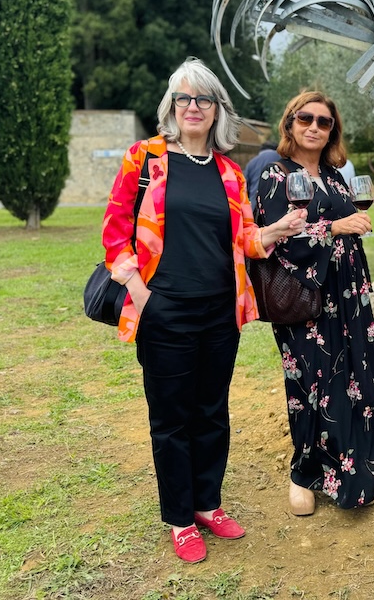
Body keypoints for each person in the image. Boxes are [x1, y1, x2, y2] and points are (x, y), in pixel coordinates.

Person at [102, 58, 306, 564]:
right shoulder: (144, 160)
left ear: (218, 110)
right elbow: (113, 231)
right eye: (184, 99)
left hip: (220, 311)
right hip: (164, 309)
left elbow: (241, 239)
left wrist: (274, 233)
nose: (193, 107)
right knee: (171, 418)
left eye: (203, 99)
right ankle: (178, 516)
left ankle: (207, 504)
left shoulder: (229, 172)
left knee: (212, 411)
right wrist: (141, 293)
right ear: (172, 107)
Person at [256, 90, 374, 516]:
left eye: (324, 122)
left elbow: (347, 226)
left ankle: (361, 460)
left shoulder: (335, 175)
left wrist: (351, 228)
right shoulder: (275, 175)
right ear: (290, 123)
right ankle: (304, 473)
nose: (314, 127)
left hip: (349, 293)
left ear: (332, 132)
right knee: (313, 384)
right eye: (305, 118)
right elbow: (276, 239)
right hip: (306, 299)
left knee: (357, 373)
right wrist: (337, 227)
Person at [245, 140, 280, 205]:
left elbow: (245, 187)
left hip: (255, 205)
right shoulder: (280, 158)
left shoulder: (251, 163)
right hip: (276, 206)